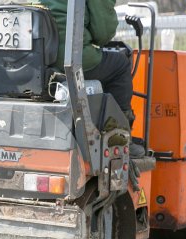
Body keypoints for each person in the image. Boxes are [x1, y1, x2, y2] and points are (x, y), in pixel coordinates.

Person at [39, 0, 141, 155]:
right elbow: (103, 32)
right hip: (68, 58)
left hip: (38, 60)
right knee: (120, 64)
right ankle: (119, 137)